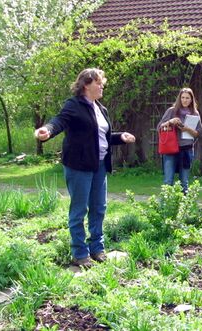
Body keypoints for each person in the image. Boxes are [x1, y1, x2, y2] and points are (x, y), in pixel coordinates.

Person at [34, 68, 136, 268]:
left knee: (99, 208)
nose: (102, 86)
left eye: (102, 83)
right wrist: (48, 130)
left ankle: (97, 249)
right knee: (80, 209)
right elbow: (59, 121)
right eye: (98, 83)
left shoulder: (101, 108)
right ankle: (80, 253)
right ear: (86, 85)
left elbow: (101, 137)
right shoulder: (73, 105)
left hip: (99, 165)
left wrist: (120, 137)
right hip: (79, 165)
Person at [157, 88, 202, 193]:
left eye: (187, 98)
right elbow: (159, 127)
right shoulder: (171, 111)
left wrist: (187, 129)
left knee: (184, 182)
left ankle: (183, 208)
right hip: (170, 149)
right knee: (168, 181)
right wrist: (170, 121)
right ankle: (166, 207)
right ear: (179, 98)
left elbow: (199, 133)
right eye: (183, 97)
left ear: (191, 99)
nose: (185, 100)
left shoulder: (195, 113)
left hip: (186, 150)